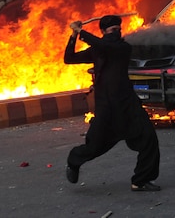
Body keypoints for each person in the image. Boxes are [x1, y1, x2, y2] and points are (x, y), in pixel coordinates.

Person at [64, 15, 161, 191]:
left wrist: (81, 32)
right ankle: (73, 161)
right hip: (106, 109)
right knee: (95, 146)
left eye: (118, 30)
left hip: (127, 105)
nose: (116, 33)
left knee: (149, 139)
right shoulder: (97, 50)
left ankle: (140, 180)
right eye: (112, 30)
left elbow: (106, 45)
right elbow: (69, 58)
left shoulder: (122, 48)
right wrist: (73, 36)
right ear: (103, 32)